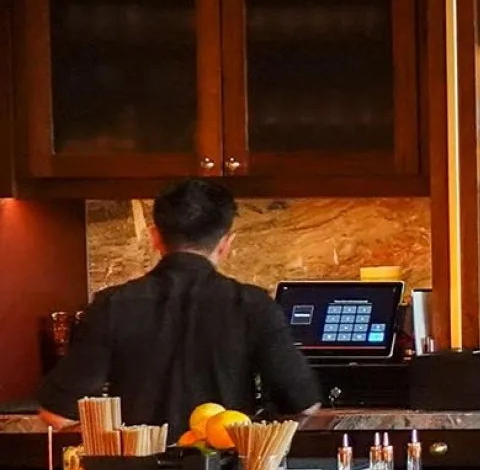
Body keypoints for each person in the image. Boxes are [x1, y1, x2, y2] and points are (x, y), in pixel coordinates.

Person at [38, 179, 321, 435]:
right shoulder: (253, 304)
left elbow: (56, 412)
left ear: (155, 237)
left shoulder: (111, 304)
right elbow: (303, 406)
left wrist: (115, 450)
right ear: (225, 244)